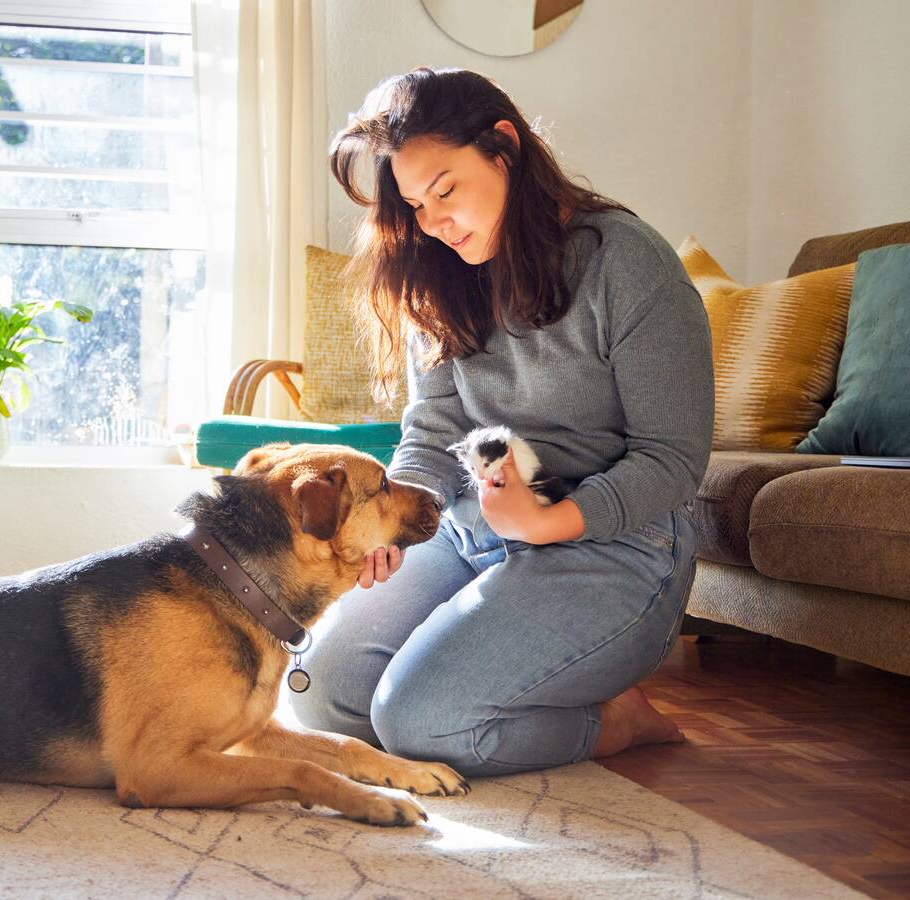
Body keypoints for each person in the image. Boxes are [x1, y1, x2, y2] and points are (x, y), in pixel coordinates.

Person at [288, 67, 714, 775]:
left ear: (504, 148)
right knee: (322, 693)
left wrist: (548, 521)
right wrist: (398, 518)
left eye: (445, 190)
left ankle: (615, 720)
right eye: (416, 205)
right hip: (471, 533)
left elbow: (672, 460)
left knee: (419, 722)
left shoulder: (627, 263)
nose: (433, 222)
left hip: (615, 550)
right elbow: (433, 428)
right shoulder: (440, 273)